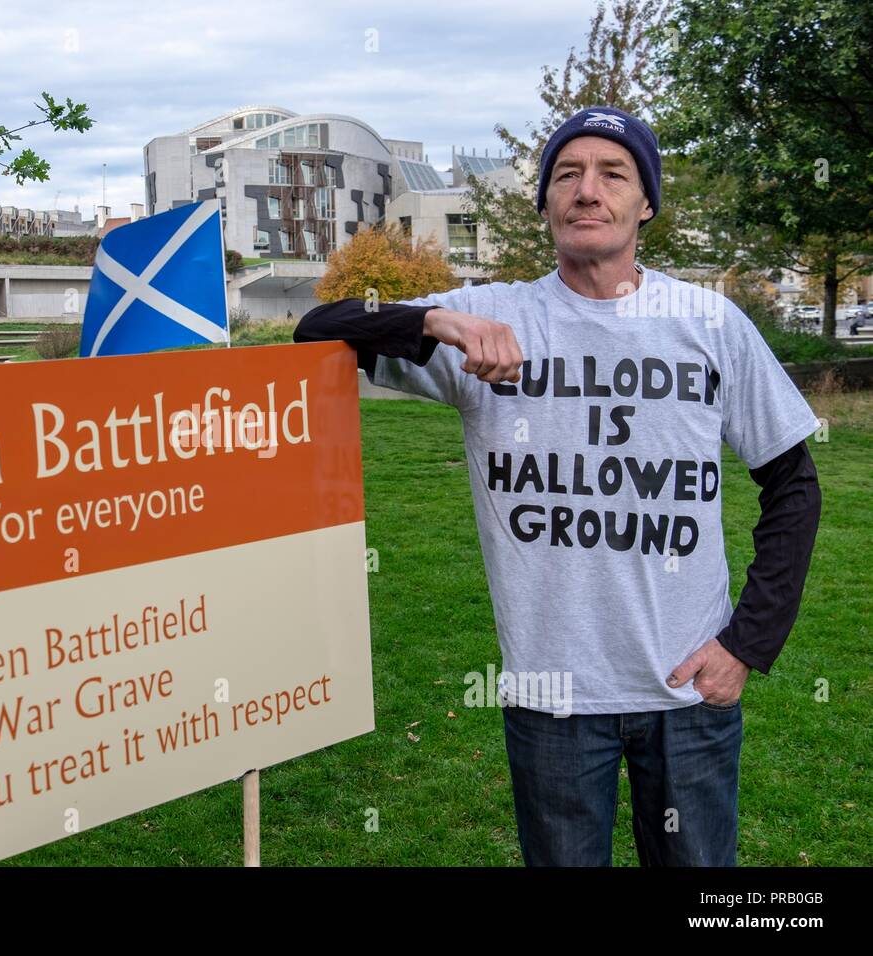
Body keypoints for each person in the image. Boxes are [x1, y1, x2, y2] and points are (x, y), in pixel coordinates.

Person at [294, 105, 823, 866]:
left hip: (686, 692)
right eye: (567, 175)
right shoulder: (492, 317)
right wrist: (436, 321)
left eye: (613, 173)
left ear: (646, 203)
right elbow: (316, 329)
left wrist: (747, 642)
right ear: (544, 202)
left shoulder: (708, 324)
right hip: (552, 696)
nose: (587, 190)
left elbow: (795, 488)